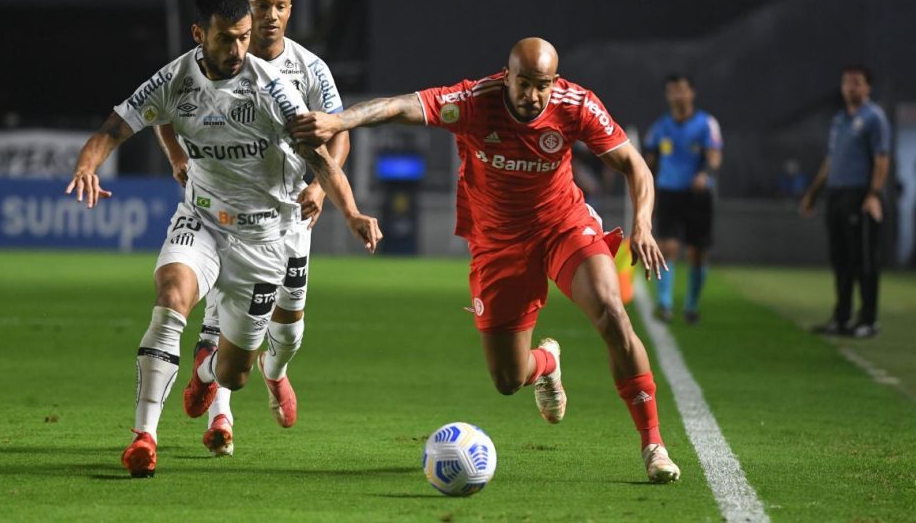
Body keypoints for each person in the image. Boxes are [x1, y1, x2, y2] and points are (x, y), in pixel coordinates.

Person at [290, 37, 681, 483]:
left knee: (612, 313)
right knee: (508, 379)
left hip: (563, 226)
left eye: (543, 86)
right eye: (524, 84)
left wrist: (643, 225)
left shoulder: (576, 105)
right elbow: (399, 106)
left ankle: (653, 446)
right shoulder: (475, 101)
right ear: (506, 75)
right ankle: (547, 364)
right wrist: (337, 121)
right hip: (498, 244)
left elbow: (635, 165)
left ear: (555, 82)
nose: (533, 96)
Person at [65, 0, 381, 478]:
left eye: (243, 38)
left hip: (264, 239)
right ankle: (144, 436)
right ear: (199, 35)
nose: (237, 50)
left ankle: (207, 371)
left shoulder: (273, 89)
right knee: (171, 297)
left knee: (235, 371)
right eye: (226, 39)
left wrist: (351, 211)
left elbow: (322, 158)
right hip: (203, 219)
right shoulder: (175, 78)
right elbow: (114, 127)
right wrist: (88, 165)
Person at [154, 0, 351, 457]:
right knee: (227, 317)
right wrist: (178, 156)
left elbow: (339, 131)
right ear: (243, 10)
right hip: (228, 216)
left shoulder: (309, 69)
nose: (270, 15)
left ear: (290, 10)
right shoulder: (206, 65)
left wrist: (320, 189)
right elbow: (164, 109)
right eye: (260, 6)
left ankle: (275, 372)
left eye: (279, 6)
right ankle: (222, 412)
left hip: (290, 218)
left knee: (287, 330)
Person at [800, 65, 891, 339]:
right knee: (840, 259)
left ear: (867, 88)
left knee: (863, 259)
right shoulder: (840, 119)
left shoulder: (874, 117)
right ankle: (841, 317)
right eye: (847, 82)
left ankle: (868, 319)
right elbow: (830, 161)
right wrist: (813, 193)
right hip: (837, 195)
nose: (851, 87)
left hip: (860, 195)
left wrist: (873, 194)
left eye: (857, 83)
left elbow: (882, 159)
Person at [642, 74, 723, 325]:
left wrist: (704, 174)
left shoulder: (706, 124)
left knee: (697, 253)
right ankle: (665, 304)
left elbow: (714, 157)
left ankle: (691, 305)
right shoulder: (659, 128)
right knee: (667, 248)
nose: (677, 96)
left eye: (681, 90)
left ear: (691, 93)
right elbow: (649, 161)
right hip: (668, 193)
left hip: (697, 195)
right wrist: (646, 186)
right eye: (672, 91)